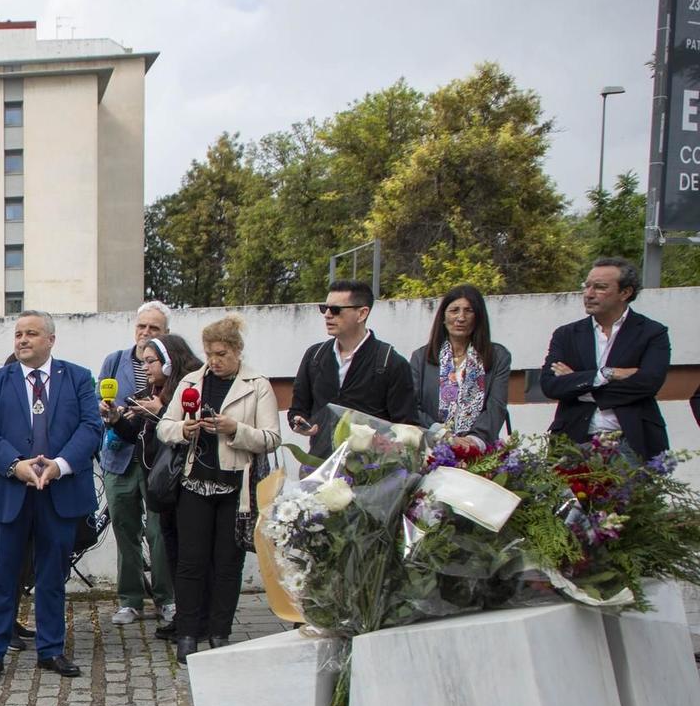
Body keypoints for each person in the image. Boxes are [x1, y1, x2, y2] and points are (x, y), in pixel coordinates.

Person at [0, 314, 101, 683]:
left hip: (59, 493)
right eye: (18, 334)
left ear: (51, 340)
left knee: (52, 575)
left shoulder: (77, 378)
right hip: (10, 492)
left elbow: (91, 427)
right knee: (2, 575)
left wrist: (59, 466)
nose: (23, 340)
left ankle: (51, 649)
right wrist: (16, 465)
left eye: (31, 333)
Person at [160, 316, 281, 663]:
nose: (214, 361)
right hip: (194, 482)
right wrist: (185, 429)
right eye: (210, 353)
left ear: (237, 351)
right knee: (190, 562)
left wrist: (235, 429)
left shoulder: (257, 384)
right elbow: (164, 427)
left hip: (236, 488)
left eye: (221, 354)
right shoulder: (191, 381)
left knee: (228, 563)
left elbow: (271, 438)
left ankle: (220, 633)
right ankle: (187, 633)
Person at [111, 335, 201, 643]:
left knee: (179, 547)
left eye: (151, 361)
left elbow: (190, 430)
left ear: (169, 362)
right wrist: (114, 421)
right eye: (143, 361)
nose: (146, 367)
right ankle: (179, 618)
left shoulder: (188, 390)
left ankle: (184, 612)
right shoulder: (146, 394)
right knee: (170, 546)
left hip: (185, 482)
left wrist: (160, 413)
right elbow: (132, 433)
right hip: (160, 483)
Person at [539, 257, 672, 460]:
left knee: (633, 493)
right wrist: (606, 374)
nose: (589, 294)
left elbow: (648, 383)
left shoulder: (652, 333)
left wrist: (580, 383)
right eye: (587, 286)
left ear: (625, 292)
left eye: (600, 287)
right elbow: (551, 386)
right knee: (570, 494)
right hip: (574, 442)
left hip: (632, 441)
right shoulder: (566, 335)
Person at [97, 302, 174, 628]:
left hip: (157, 459)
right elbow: (96, 400)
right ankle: (129, 600)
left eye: (153, 328)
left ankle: (166, 599)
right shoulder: (115, 361)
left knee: (159, 531)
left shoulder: (173, 368)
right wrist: (110, 413)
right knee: (125, 530)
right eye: (141, 326)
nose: (145, 333)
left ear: (165, 334)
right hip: (119, 458)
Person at [289, 279, 418, 457]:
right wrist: (299, 422)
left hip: (370, 474)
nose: (327, 315)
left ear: (362, 314)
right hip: (320, 466)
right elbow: (298, 408)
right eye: (324, 308)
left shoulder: (391, 362)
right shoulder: (314, 356)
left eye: (335, 310)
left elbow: (406, 427)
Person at [410, 286, 513, 448]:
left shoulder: (498, 356)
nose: (461, 317)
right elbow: (411, 407)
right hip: (432, 448)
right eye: (454, 310)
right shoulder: (421, 358)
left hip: (478, 450)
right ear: (443, 317)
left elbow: (496, 406)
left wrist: (473, 442)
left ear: (478, 317)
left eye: (468, 311)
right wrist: (445, 436)